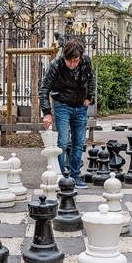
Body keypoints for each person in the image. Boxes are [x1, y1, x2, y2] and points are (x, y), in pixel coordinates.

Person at [38, 37, 94, 189]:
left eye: (76, 60)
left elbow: (90, 80)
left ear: (80, 57)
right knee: (62, 142)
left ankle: (75, 174)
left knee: (79, 142)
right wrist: (47, 113)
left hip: (80, 106)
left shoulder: (86, 61)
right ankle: (61, 175)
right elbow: (44, 90)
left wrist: (89, 97)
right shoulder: (56, 64)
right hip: (62, 105)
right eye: (69, 61)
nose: (72, 64)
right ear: (64, 56)